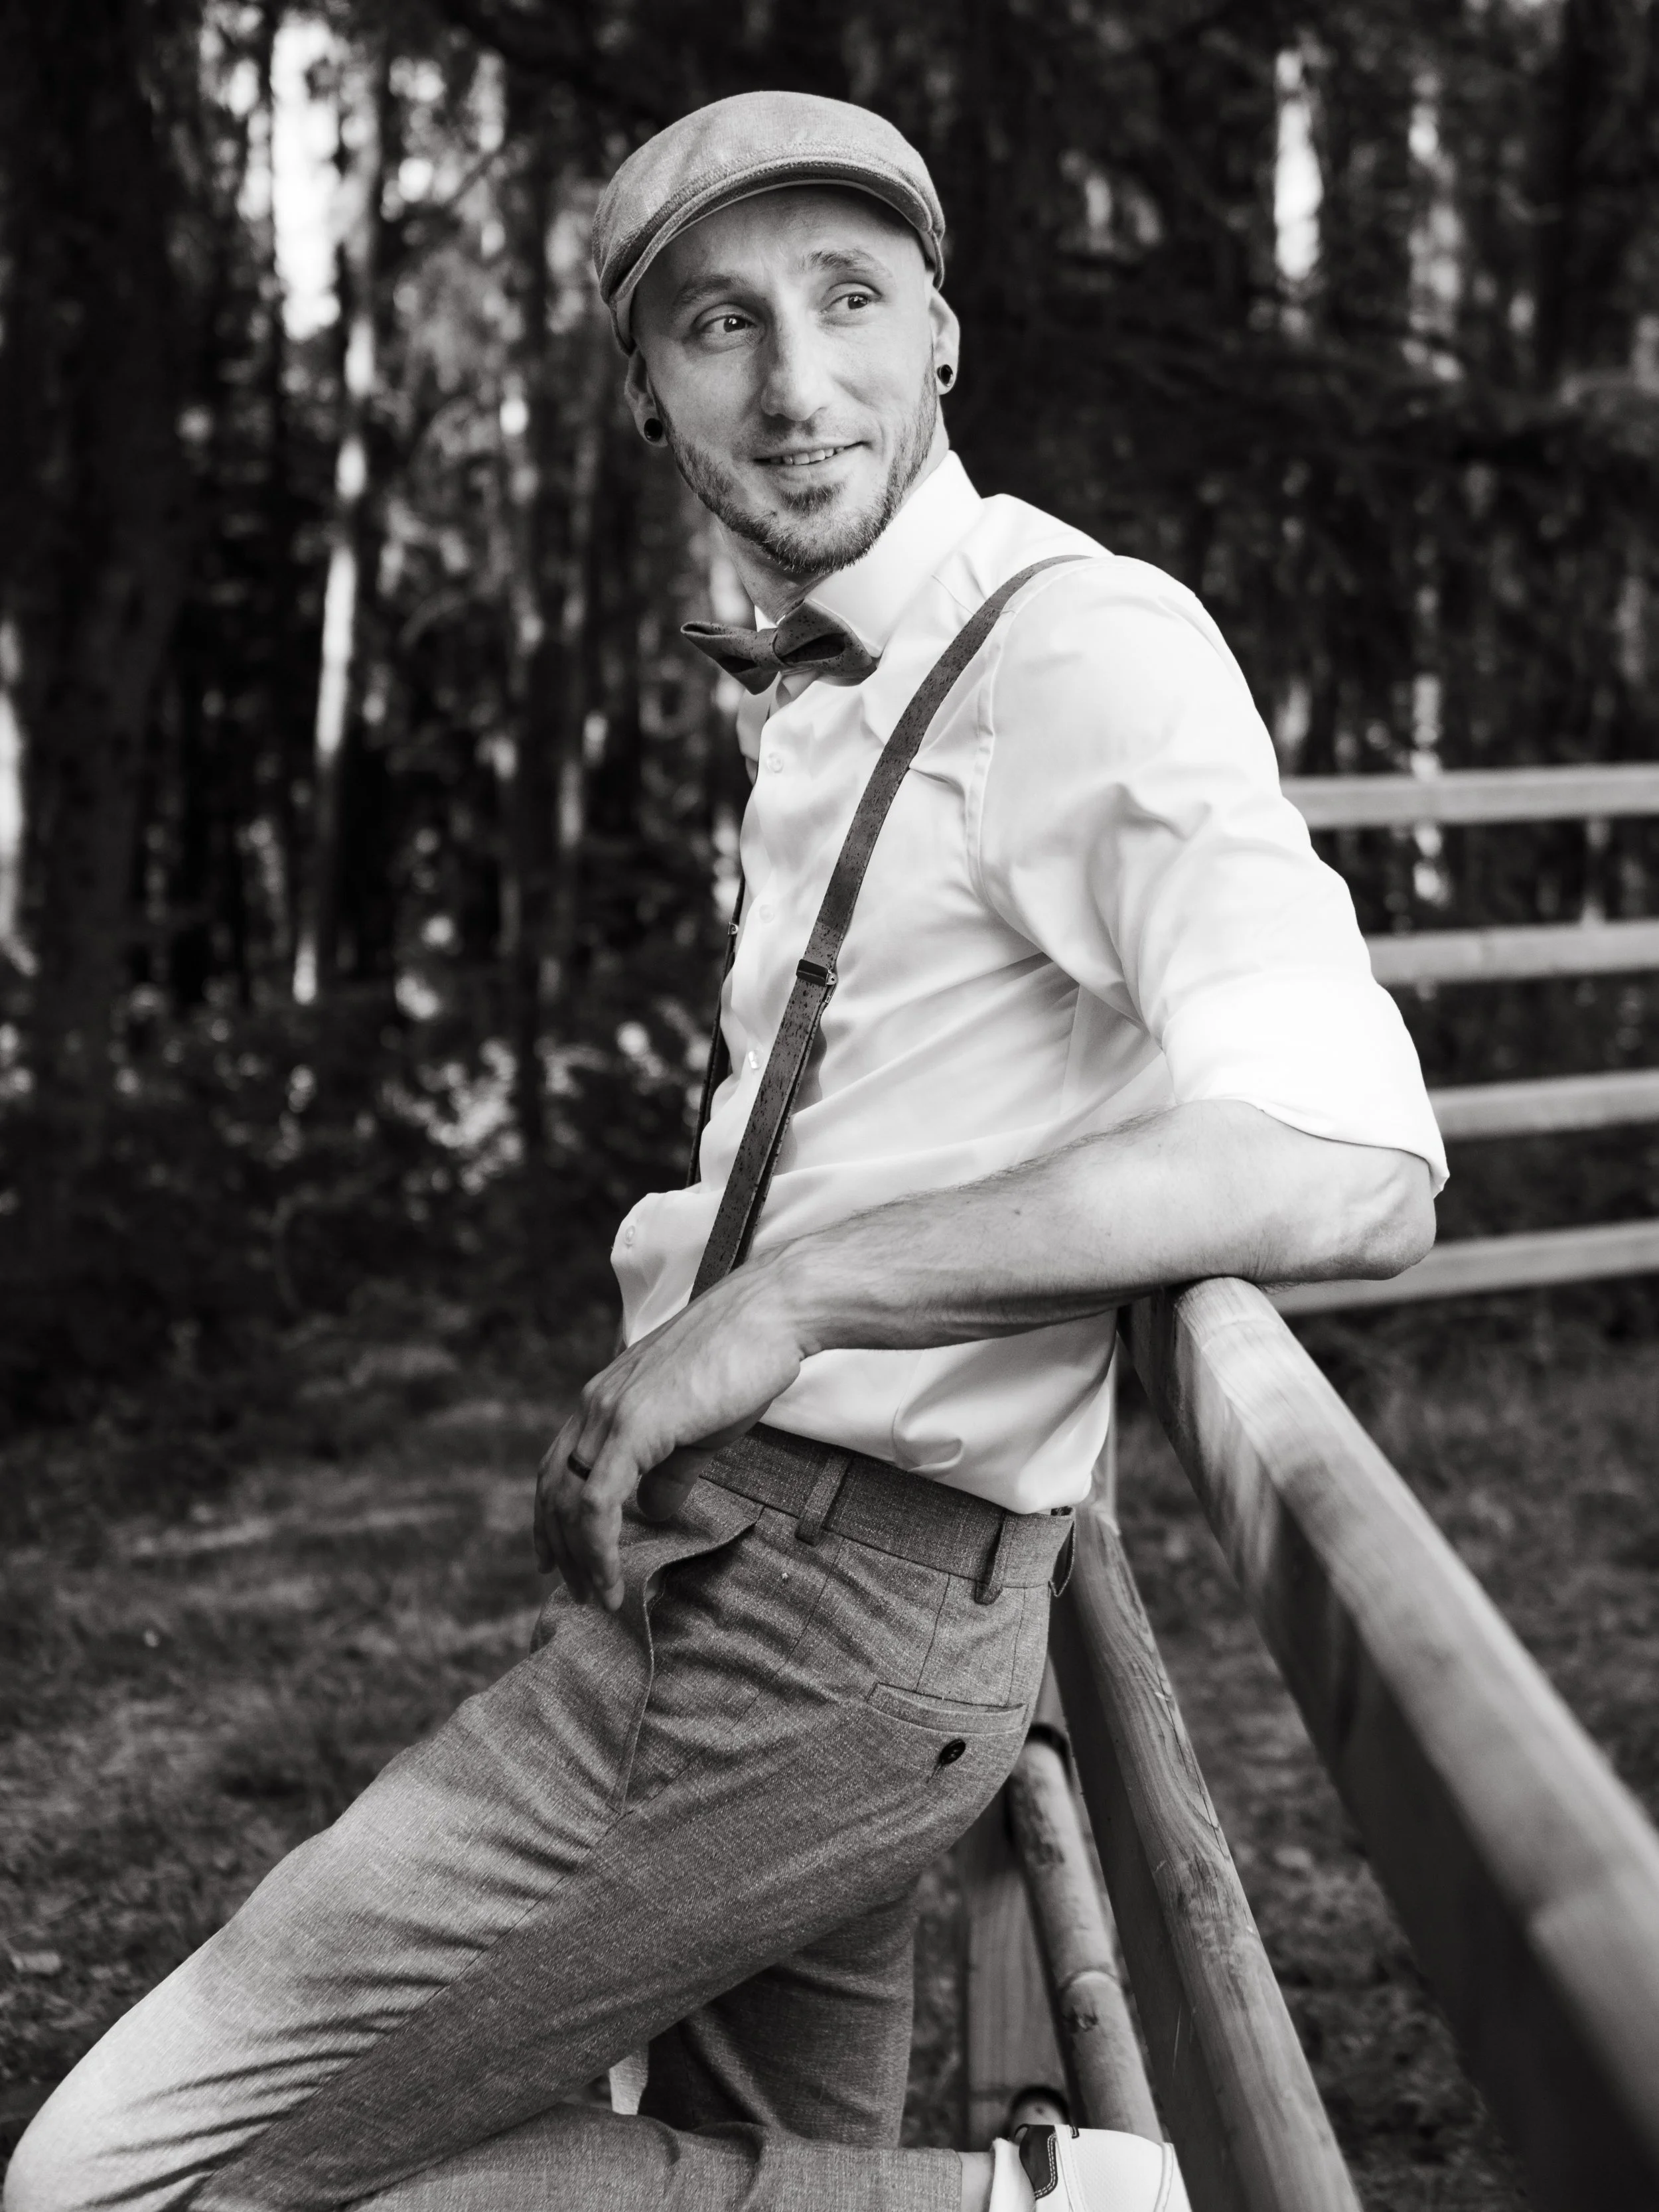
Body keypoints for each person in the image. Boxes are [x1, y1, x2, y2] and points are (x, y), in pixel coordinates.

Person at [7, 90, 1446, 2212]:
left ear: (943, 333)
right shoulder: (841, 684)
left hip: (822, 1633)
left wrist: (789, 1301)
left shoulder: (1073, 646)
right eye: (716, 326)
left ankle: (1050, 2207)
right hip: (747, 1584)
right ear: (646, 393)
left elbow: (1353, 1156)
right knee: (768, 2163)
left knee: (110, 2178)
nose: (795, 386)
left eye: (847, 300)